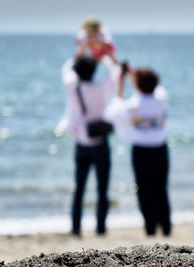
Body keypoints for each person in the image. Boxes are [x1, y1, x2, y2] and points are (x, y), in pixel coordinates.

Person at [104, 66, 172, 236]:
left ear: (137, 85)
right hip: (161, 149)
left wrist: (121, 85)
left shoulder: (132, 106)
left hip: (142, 152)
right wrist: (134, 75)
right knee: (161, 189)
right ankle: (166, 227)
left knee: (144, 192)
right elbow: (154, 86)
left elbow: (111, 112)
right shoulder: (161, 98)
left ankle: (150, 229)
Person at [59, 52, 121, 236]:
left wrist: (82, 49)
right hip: (100, 142)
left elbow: (66, 69)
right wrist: (103, 55)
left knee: (79, 189)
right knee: (103, 189)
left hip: (81, 142)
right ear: (94, 70)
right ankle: (100, 229)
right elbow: (116, 71)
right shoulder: (101, 87)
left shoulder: (73, 86)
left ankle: (76, 228)